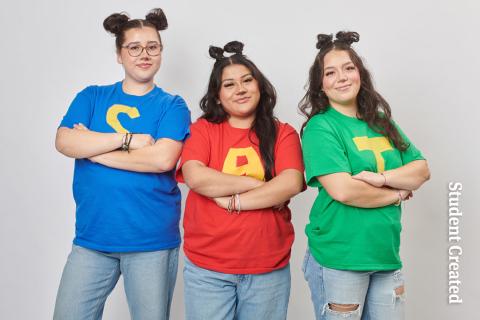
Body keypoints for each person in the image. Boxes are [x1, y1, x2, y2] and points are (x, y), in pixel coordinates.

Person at [53, 8, 190, 320]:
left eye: (153, 47)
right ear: (119, 54)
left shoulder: (172, 105)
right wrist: (128, 140)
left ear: (160, 52)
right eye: (134, 47)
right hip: (92, 240)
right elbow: (64, 142)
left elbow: (162, 159)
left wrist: (92, 148)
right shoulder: (91, 97)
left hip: (151, 242)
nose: (145, 54)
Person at [299, 31, 430, 320]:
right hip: (340, 256)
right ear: (321, 85)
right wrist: (397, 192)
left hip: (385, 254)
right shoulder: (321, 128)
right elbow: (344, 190)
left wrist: (381, 179)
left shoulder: (381, 121)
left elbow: (421, 169)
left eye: (348, 68)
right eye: (330, 73)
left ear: (360, 74)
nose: (342, 77)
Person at [176, 41, 304, 320]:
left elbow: (291, 183)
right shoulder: (202, 130)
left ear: (260, 86)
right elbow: (196, 177)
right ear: (218, 96)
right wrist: (261, 186)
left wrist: (233, 202)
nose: (241, 89)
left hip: (268, 268)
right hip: (208, 269)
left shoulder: (283, 133)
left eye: (248, 80)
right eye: (229, 84)